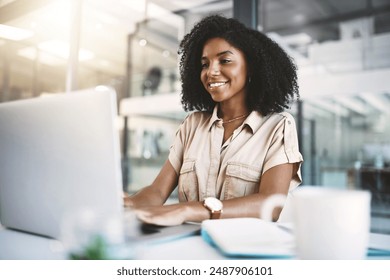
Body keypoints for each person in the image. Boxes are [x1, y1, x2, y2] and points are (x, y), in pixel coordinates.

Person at [124, 14, 303, 226]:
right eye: (204, 64)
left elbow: (271, 205)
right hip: (191, 246)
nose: (211, 72)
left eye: (224, 60)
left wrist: (189, 210)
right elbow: (157, 191)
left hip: (244, 252)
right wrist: (126, 204)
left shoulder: (277, 126)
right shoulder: (192, 125)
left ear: (251, 67)